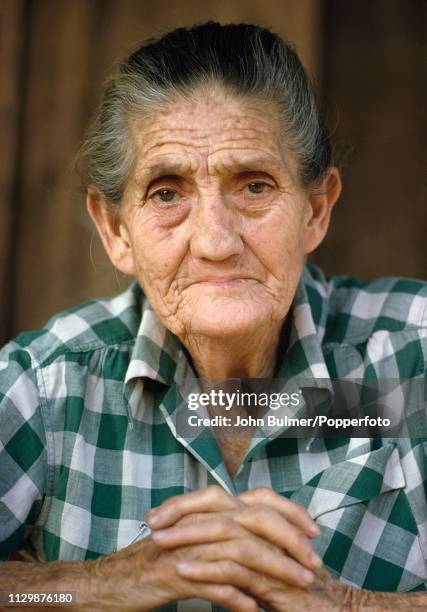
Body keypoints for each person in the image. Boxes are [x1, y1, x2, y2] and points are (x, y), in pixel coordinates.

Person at [0, 22, 425, 611]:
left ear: (316, 211)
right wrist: (95, 584)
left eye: (253, 185)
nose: (216, 242)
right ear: (115, 230)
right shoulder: (48, 386)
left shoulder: (413, 357)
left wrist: (353, 605)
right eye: (167, 193)